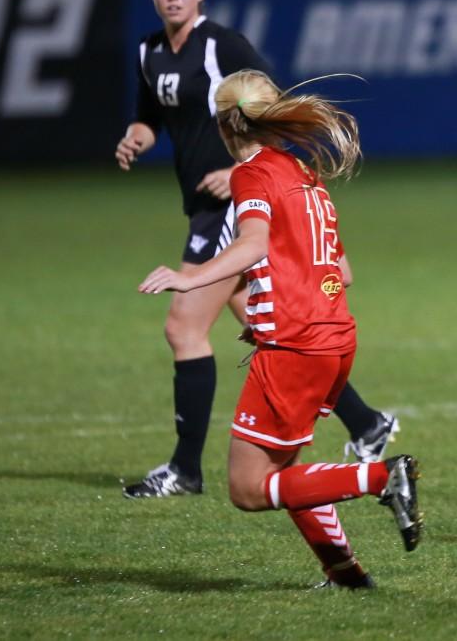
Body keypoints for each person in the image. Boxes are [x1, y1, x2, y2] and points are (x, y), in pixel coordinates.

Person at [116, 0, 398, 499]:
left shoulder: (222, 45)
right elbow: (152, 115)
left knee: (184, 328)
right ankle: (366, 424)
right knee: (277, 326)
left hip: (236, 207)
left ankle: (185, 468)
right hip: (207, 204)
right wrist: (139, 135)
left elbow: (264, 103)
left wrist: (243, 171)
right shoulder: (149, 51)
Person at [137, 68, 421, 588]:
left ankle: (382, 477)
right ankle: (346, 575)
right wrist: (292, 293)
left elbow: (253, 245)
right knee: (286, 471)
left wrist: (190, 276)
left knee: (248, 488)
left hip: (296, 347)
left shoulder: (251, 174)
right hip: (334, 338)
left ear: (225, 127)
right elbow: (342, 272)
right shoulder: (303, 173)